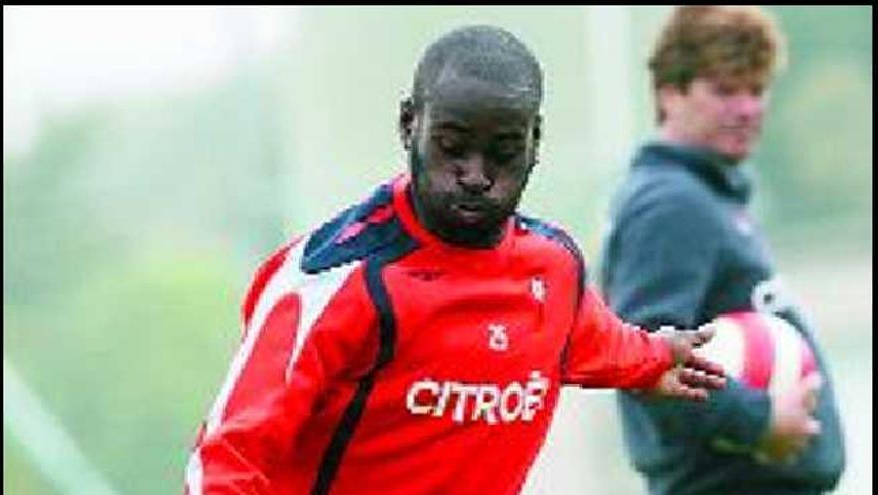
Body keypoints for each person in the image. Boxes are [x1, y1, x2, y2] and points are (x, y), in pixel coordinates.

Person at [184, 25, 725, 495]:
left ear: (535, 140)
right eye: (452, 145)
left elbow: (596, 341)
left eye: (503, 150)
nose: (475, 173)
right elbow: (227, 459)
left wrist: (657, 356)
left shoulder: (552, 270)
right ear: (408, 126)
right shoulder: (332, 280)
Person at [599, 6, 846, 495]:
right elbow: (644, 356)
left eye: (756, 90)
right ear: (669, 93)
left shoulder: (707, 196)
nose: (748, 108)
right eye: (725, 90)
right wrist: (757, 421)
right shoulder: (671, 204)